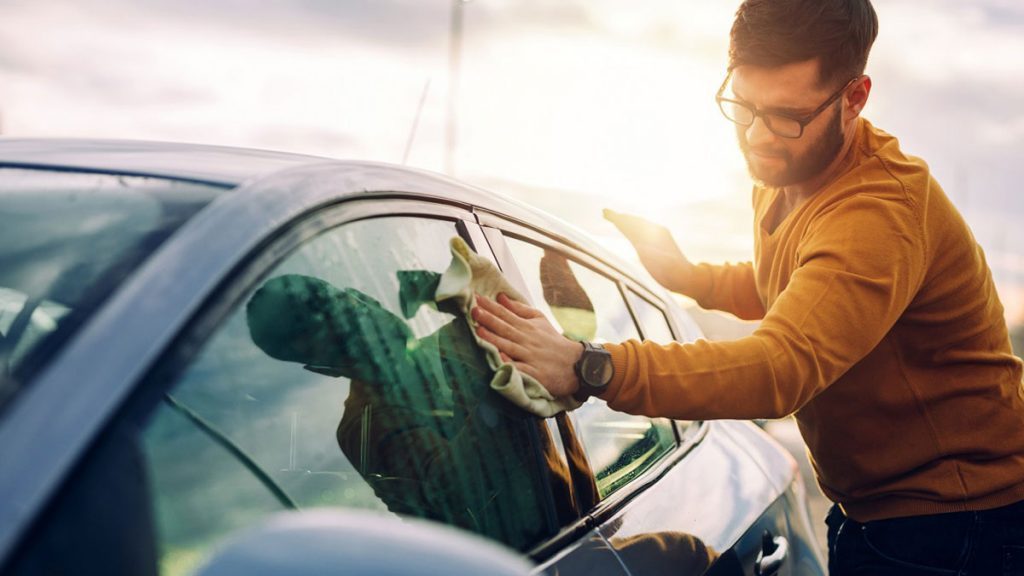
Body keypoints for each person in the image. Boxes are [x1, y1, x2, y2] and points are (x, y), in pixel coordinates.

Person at [470, 0, 1024, 574]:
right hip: (883, 512)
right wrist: (688, 277)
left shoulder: (878, 214)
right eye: (743, 106)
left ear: (855, 98)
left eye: (786, 114)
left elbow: (778, 368)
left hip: (958, 528)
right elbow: (798, 288)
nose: (757, 137)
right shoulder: (791, 159)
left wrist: (592, 366)